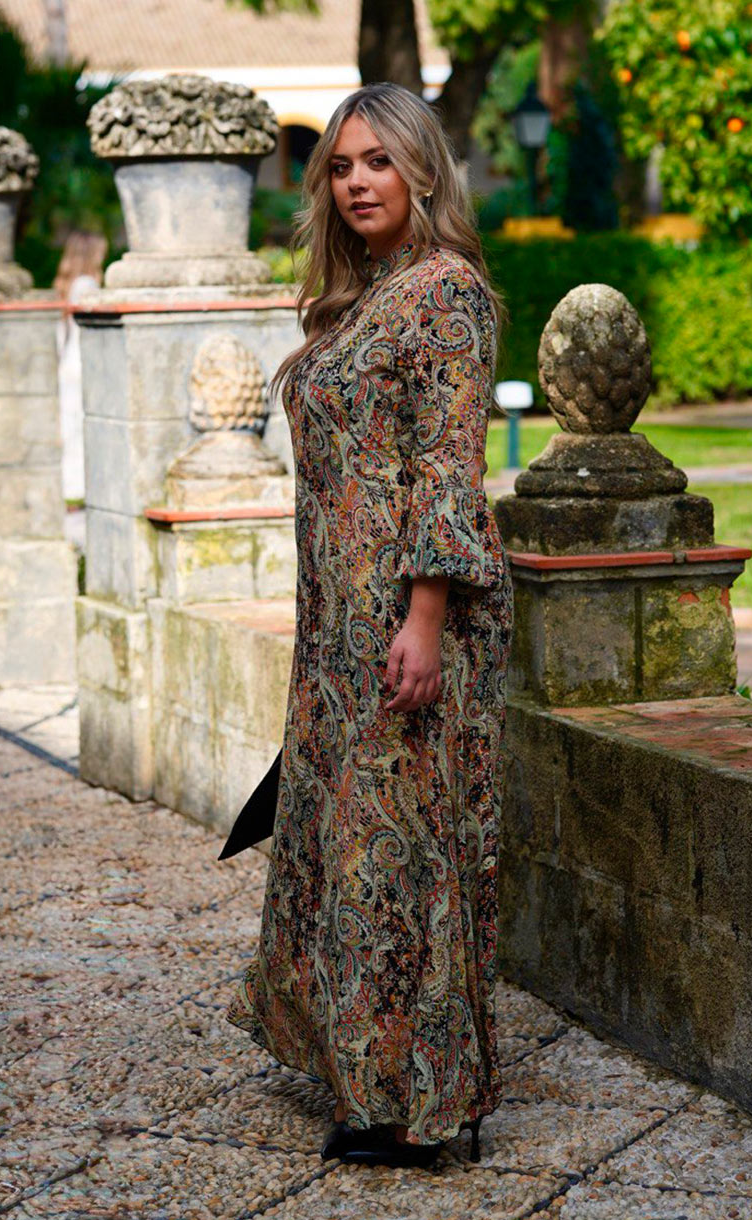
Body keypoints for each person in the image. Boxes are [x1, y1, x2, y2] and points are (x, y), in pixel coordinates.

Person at [225, 81, 513, 1170]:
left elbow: (449, 467)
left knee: (408, 856)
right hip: (339, 628)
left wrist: (426, 618)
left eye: (378, 162)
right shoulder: (363, 299)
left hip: (410, 619)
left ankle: (426, 1102)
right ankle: (372, 1074)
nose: (355, 181)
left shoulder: (445, 293)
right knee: (351, 853)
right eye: (341, 165)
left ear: (422, 171)